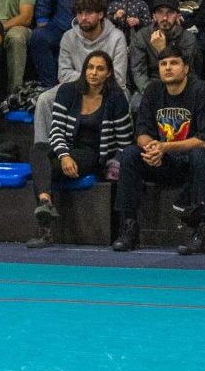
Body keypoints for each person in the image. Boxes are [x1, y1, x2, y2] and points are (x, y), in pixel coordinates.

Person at [112, 44, 205, 254]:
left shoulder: (201, 90)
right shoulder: (153, 90)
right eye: (163, 64)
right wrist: (152, 149)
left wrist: (165, 146)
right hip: (165, 161)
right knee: (130, 155)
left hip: (195, 164)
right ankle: (129, 228)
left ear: (186, 68)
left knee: (201, 154)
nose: (168, 68)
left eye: (174, 63)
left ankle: (203, 229)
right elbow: (142, 133)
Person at [27, 49, 132, 250]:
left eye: (100, 69)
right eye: (90, 67)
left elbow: (124, 139)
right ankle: (45, 202)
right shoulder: (68, 91)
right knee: (38, 150)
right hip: (66, 148)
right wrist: (64, 155)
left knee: (43, 168)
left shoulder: (116, 97)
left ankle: (45, 229)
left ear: (109, 73)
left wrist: (115, 161)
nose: (93, 72)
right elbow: (55, 129)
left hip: (94, 154)